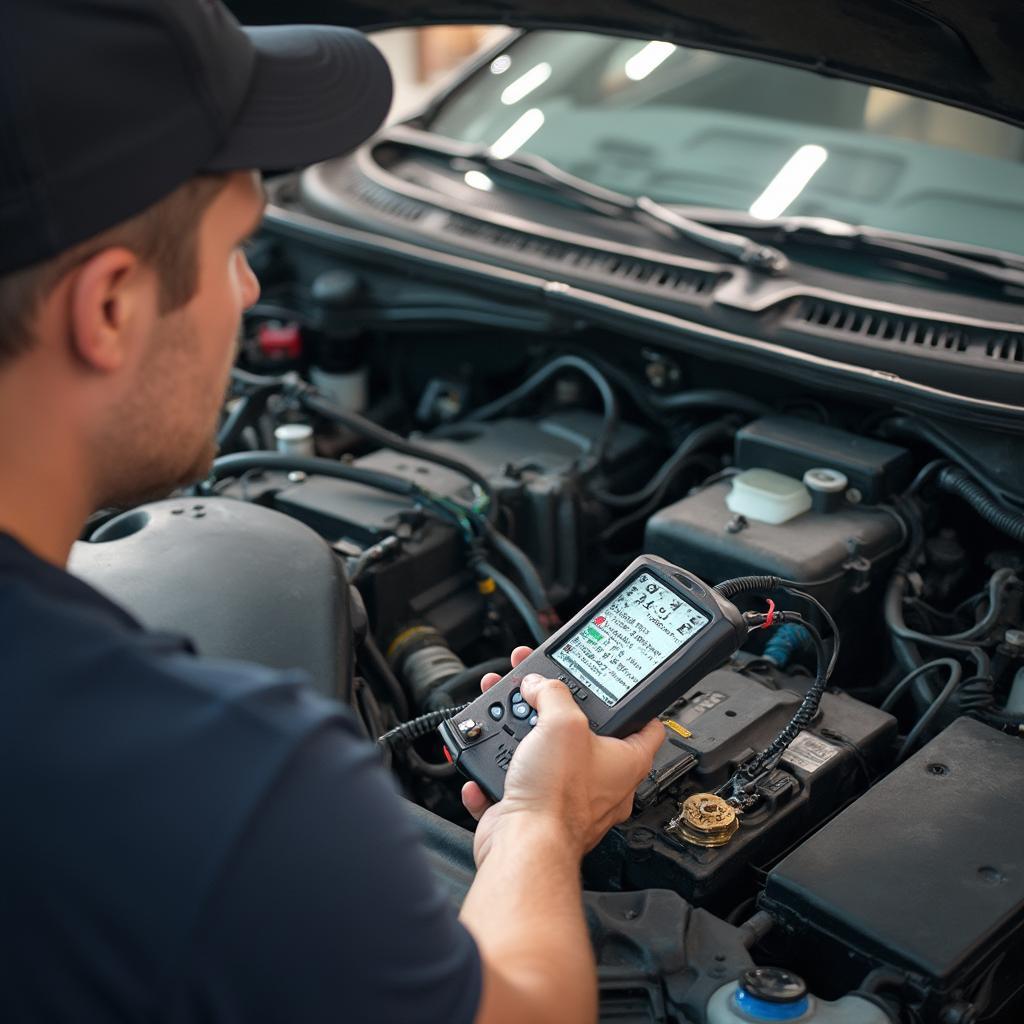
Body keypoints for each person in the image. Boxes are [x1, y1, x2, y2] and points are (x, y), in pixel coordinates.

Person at [0, 2, 665, 1022]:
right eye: (236, 249)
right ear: (110, 309)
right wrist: (539, 820)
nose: (255, 288)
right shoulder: (213, 791)